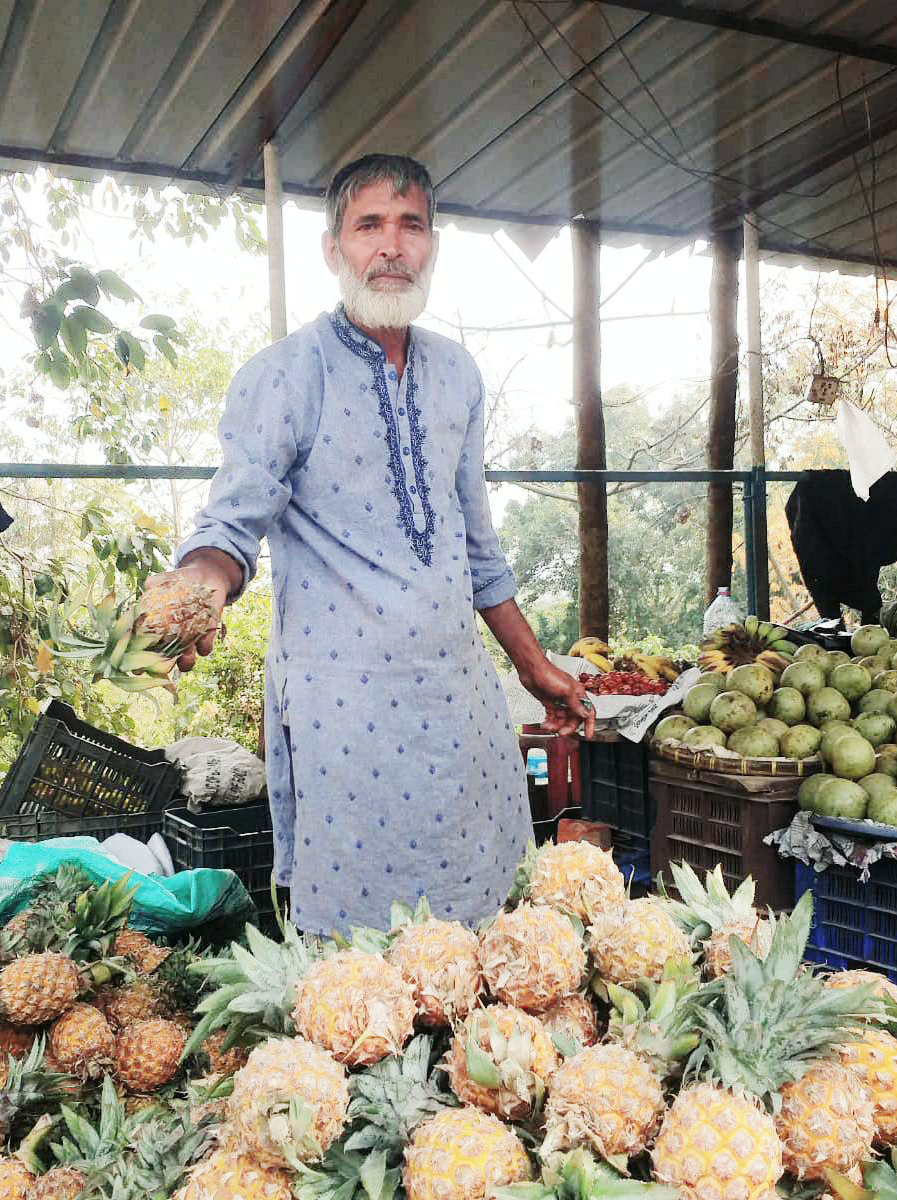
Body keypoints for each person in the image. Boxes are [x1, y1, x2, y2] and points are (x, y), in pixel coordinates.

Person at [163, 153, 592, 936]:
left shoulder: (458, 374)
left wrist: (533, 668)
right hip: (343, 708)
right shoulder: (287, 374)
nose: (390, 247)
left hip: (456, 695)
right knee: (360, 950)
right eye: (369, 226)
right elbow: (230, 525)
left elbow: (475, 544)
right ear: (335, 250)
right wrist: (197, 591)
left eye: (410, 226)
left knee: (482, 923)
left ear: (432, 244)